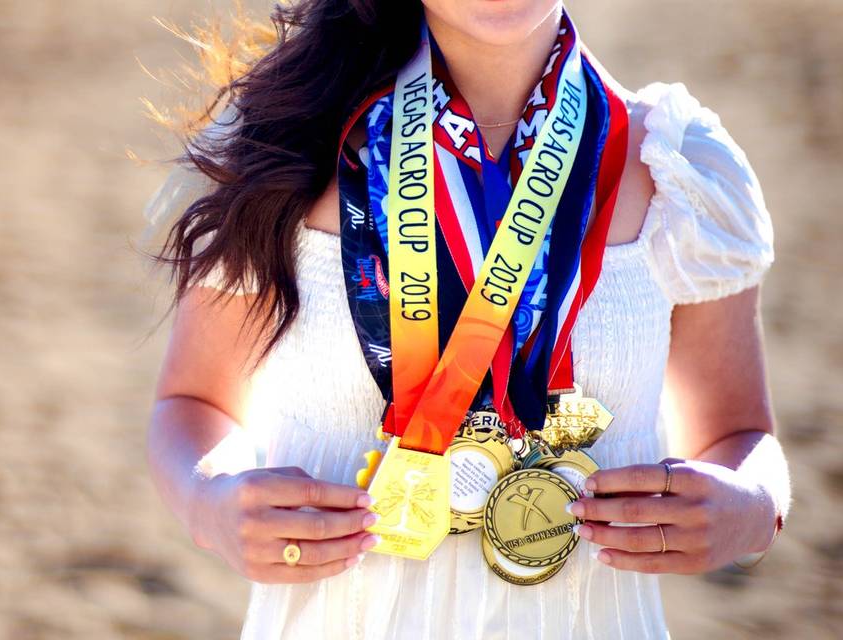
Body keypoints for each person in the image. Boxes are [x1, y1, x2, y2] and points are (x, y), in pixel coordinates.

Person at [143, 1, 791, 638]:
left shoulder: (679, 171)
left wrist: (756, 507)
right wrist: (209, 502)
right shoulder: (273, 141)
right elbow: (191, 400)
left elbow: (741, 433)